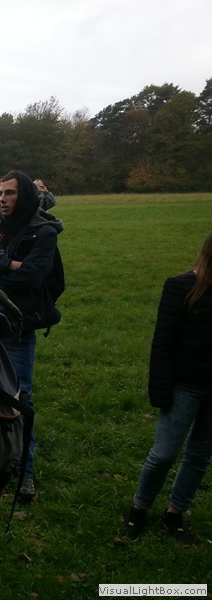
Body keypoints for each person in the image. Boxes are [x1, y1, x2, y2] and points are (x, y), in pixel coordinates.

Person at [0, 170, 64, 502]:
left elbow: (32, 277)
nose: (2, 199)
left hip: (17, 330)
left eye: (10, 193)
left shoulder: (43, 233)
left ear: (25, 197)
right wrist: (10, 265)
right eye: (0, 193)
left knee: (19, 399)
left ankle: (24, 472)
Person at [121, 230, 212, 547]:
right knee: (163, 455)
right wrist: (160, 390)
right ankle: (138, 509)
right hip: (183, 386)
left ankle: (175, 512)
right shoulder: (180, 286)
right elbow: (162, 343)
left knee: (200, 455)